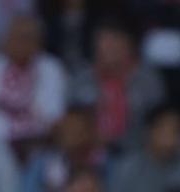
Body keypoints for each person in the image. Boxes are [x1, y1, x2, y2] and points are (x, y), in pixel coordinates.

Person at [0, 15, 66, 148]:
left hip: (36, 144)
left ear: (38, 42)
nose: (19, 43)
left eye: (26, 38)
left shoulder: (51, 68)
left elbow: (54, 119)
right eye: (14, 37)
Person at [68, 21, 165, 153]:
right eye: (102, 43)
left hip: (138, 153)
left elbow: (159, 122)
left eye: (113, 42)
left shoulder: (148, 80)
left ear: (129, 46)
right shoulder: (82, 78)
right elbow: (72, 119)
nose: (107, 48)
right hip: (89, 152)